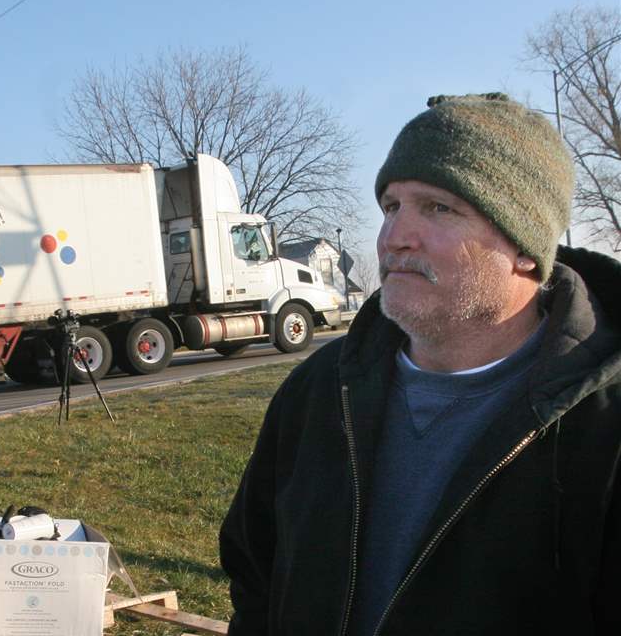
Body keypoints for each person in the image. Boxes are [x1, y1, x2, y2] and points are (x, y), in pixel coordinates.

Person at [220, 93, 620, 635]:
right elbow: (255, 577)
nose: (393, 238)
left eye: (438, 208)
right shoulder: (320, 388)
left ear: (525, 246)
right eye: (391, 206)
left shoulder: (602, 422)